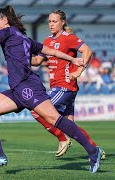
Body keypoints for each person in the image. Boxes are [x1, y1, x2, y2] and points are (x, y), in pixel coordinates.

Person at [0, 5, 102, 173]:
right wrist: (72, 59)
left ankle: (93, 151)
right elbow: (51, 51)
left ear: (5, 20)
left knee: (54, 119)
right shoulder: (24, 38)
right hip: (16, 90)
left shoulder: (6, 32)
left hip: (28, 87)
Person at [31, 11, 105, 159]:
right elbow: (37, 62)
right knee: (70, 124)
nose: (51, 24)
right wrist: (20, 56)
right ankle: (95, 149)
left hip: (65, 86)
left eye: (54, 21)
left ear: (62, 22)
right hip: (60, 87)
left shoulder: (68, 38)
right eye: (50, 22)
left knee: (36, 110)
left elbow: (87, 51)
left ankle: (62, 139)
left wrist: (79, 71)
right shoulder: (47, 41)